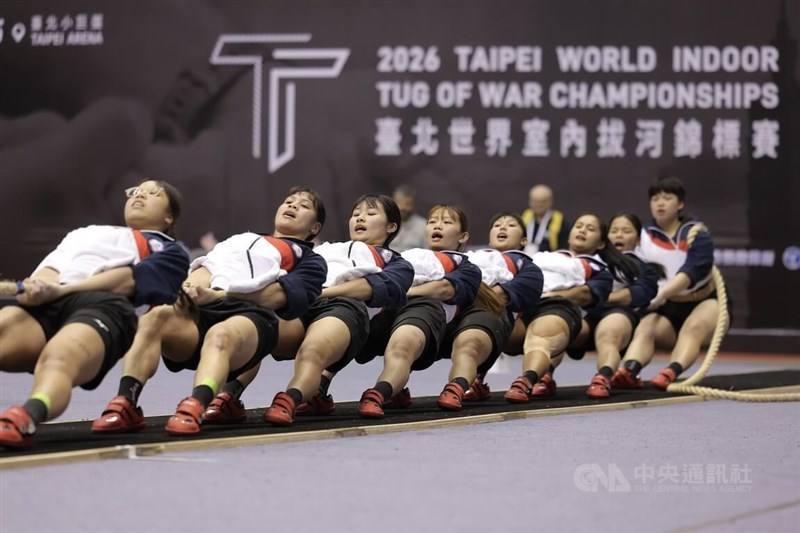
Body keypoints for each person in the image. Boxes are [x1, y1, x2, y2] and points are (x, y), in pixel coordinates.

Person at [90, 186, 326, 436]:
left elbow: (275, 296)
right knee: (156, 317)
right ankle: (126, 403)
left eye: (303, 206)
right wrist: (188, 290)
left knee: (221, 335)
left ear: (314, 228)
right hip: (202, 312)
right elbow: (207, 268)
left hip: (253, 318)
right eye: (289, 201)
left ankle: (197, 404)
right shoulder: (239, 240)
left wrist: (220, 294)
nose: (292, 206)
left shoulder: (310, 261)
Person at [0, 179, 190, 448]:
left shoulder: (172, 251)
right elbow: (51, 269)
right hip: (53, 301)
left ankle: (28, 415)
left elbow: (127, 281)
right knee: (4, 324)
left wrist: (62, 290)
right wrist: (35, 288)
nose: (140, 196)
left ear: (169, 216)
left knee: (60, 357)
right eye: (136, 191)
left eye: (153, 194)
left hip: (106, 306)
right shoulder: (84, 233)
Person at [257, 194, 414, 425]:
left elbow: (372, 288)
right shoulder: (323, 250)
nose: (360, 218)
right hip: (304, 303)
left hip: (345, 309)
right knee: (257, 328)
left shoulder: (397, 264)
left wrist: (322, 292)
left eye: (370, 214)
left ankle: (289, 399)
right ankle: (227, 396)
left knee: (312, 350)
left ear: (391, 226)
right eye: (356, 214)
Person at [356, 204, 484, 418]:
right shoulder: (406, 257)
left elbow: (442, 288)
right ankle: (318, 390)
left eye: (446, 222)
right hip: (388, 309)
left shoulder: (467, 267)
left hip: (427, 314)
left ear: (463, 236)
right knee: (344, 328)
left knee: (402, 346)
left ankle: (379, 393)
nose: (437, 226)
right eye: (433, 221)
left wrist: (397, 291)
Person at [613, 176, 720, 390]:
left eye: (667, 198)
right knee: (646, 327)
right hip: (667, 307)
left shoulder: (697, 233)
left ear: (680, 204)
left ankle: (670, 373)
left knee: (694, 327)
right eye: (655, 199)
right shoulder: (643, 236)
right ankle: (629, 371)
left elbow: (690, 272)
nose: (660, 203)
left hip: (702, 300)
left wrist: (662, 294)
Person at [436, 212, 543, 410]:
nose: (502, 228)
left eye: (511, 225)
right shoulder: (470, 259)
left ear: (524, 240)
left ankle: (458, 387)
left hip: (503, 324)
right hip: (456, 313)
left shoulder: (528, 268)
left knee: (474, 334)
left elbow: (497, 299)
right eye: (497, 225)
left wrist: (462, 289)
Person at [504, 214, 615, 403]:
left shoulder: (599, 270)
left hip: (564, 315)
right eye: (579, 225)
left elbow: (583, 295)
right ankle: (475, 381)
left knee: (541, 335)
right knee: (494, 326)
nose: (582, 230)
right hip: (525, 308)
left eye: (590, 228)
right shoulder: (541, 257)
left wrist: (543, 295)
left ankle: (527, 381)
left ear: (601, 243)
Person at [562, 213, 661, 397]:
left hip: (619, 317)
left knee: (609, 332)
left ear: (638, 239)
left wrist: (597, 296)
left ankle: (603, 378)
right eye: (614, 231)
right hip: (586, 316)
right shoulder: (588, 262)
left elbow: (637, 295)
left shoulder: (643, 269)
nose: (619, 235)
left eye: (626, 231)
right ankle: (542, 377)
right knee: (560, 325)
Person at [521, 184, 569, 255]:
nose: (538, 205)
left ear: (550, 202)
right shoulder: (524, 218)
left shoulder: (559, 221)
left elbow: (563, 247)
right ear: (530, 201)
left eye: (542, 202)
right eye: (535, 201)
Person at [390, 185, 427, 252]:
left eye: (408, 204)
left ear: (414, 205)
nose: (403, 207)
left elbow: (428, 252)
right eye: (399, 203)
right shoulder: (384, 223)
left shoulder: (423, 226)